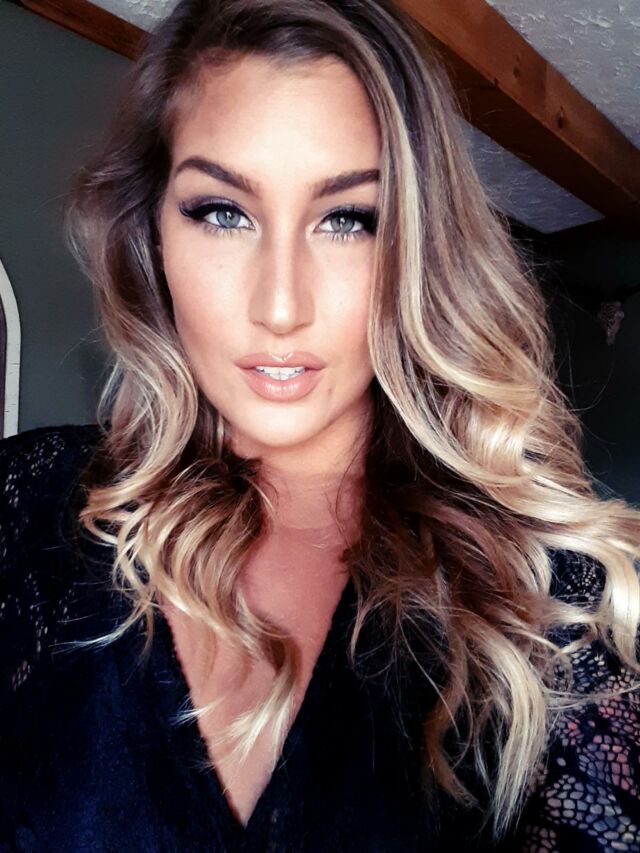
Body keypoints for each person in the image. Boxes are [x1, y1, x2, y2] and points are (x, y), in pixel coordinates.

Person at [1, 0, 639, 850]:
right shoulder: (27, 500)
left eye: (348, 219)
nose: (280, 306)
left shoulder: (543, 593)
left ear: (417, 251)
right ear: (151, 232)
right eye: (222, 211)